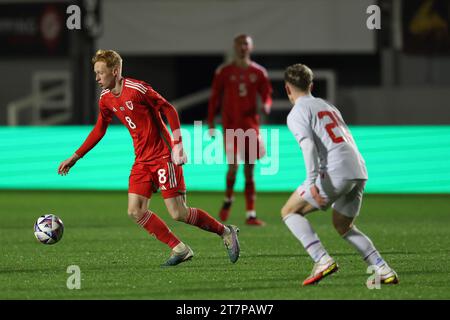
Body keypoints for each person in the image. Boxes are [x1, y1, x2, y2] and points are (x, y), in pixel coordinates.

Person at [58, 49, 240, 267]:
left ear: (114, 71)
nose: (96, 78)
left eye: (100, 72)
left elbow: (169, 109)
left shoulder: (137, 89)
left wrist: (178, 145)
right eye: (95, 73)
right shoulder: (105, 98)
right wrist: (75, 157)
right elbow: (99, 129)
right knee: (135, 210)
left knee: (178, 212)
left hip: (163, 155)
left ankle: (225, 231)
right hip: (142, 160)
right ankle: (179, 248)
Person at [281, 63, 399, 286]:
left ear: (288, 89)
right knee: (343, 226)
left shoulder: (297, 112)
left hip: (335, 170)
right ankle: (382, 268)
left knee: (290, 211)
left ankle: (321, 259)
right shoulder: (327, 105)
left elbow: (308, 147)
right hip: (358, 170)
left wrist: (311, 181)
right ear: (311, 85)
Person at [207, 34, 273, 226]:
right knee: (234, 166)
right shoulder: (224, 71)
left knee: (250, 172)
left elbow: (267, 94)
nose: (243, 47)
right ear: (235, 47)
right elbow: (214, 98)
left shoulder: (259, 72)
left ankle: (250, 214)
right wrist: (211, 122)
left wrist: (267, 105)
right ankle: (228, 199)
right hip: (230, 127)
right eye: (239, 44)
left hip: (251, 126)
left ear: (250, 47)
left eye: (246, 44)